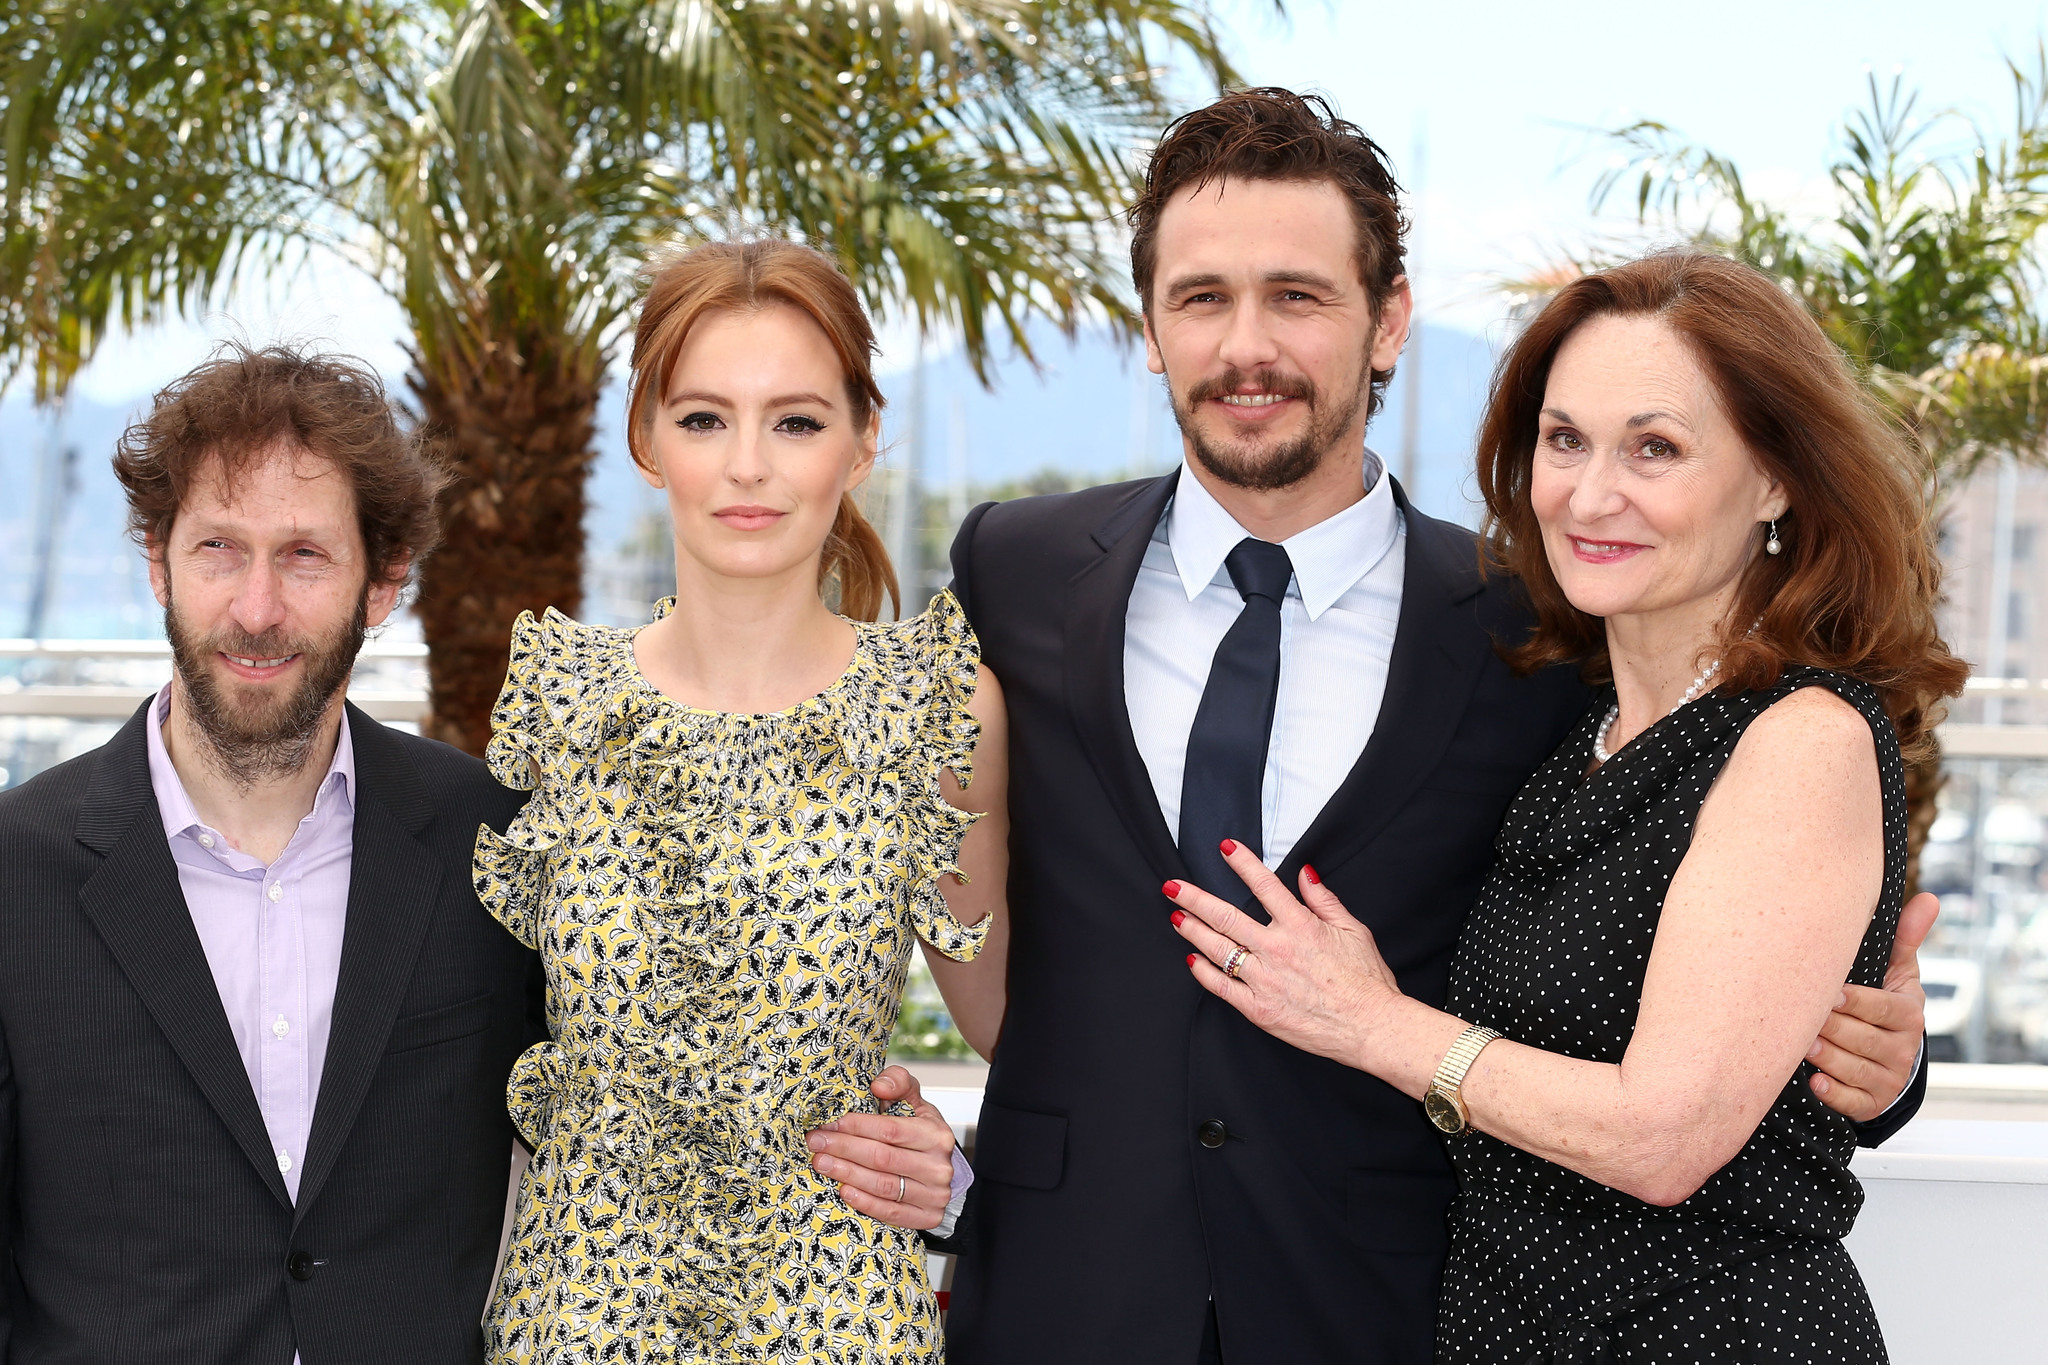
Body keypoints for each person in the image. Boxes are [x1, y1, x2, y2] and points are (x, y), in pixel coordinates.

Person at [868, 88, 1934, 1365]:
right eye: (1200, 297)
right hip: (1059, 1294)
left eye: (1298, 297)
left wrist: (1876, 1055)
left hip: (1389, 1311)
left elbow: (1694, 909)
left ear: (1388, 323)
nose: (1244, 347)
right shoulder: (1016, 567)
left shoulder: (1538, 626)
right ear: (1148, 327)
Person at [1166, 247, 1966, 1361]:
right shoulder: (1571, 728)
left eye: (1655, 447)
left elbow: (1664, 1137)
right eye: (1563, 441)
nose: (1591, 495)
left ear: (1775, 479)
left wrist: (1374, 1023)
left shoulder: (1801, 740)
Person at [474, 237, 1006, 1365]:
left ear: (862, 443)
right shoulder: (558, 703)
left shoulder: (939, 706)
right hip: (575, 1323)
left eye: (797, 422)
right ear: (646, 440)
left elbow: (1011, 1023)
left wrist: (952, 1171)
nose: (748, 466)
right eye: (705, 418)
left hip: (838, 1320)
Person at [0, 344, 545, 1362]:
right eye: (218, 550)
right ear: (158, 562)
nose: (256, 609)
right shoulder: (12, 873)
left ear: (382, 585)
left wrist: (908, 1149)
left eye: (303, 555)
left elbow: (645, 1098)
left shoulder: (494, 840)